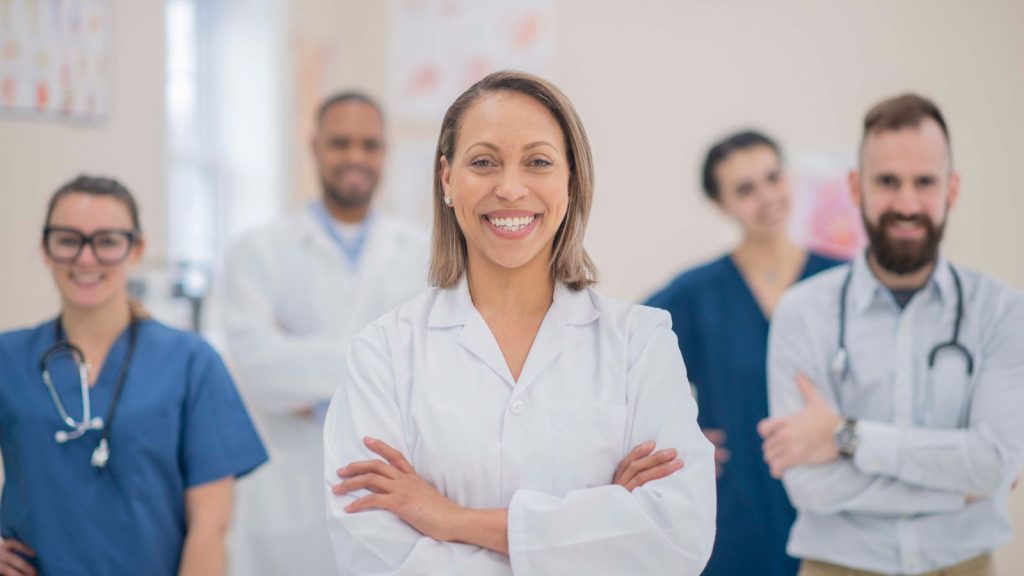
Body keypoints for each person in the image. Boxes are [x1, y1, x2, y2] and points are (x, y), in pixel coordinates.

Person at [322, 70, 716, 575]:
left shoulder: (641, 342)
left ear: (570, 179)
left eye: (538, 162)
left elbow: (678, 535)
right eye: (483, 162)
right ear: (447, 178)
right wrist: (599, 525)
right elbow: (371, 552)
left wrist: (452, 519)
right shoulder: (384, 351)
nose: (510, 188)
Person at [759, 94, 1024, 576]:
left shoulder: (1002, 311)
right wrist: (957, 483)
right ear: (857, 187)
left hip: (965, 565)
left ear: (953, 189)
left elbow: (994, 464)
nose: (906, 203)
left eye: (925, 182)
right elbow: (809, 486)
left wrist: (845, 436)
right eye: (887, 182)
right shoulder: (803, 313)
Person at [0, 175, 267, 576]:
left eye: (107, 241)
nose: (86, 259)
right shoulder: (8, 357)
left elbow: (209, 527)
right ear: (46, 247)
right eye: (68, 239)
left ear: (136, 248)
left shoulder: (192, 362)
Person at [223, 91, 428, 576]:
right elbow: (259, 373)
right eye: (340, 143)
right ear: (314, 147)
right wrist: (385, 364)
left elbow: (433, 370)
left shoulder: (424, 253)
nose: (355, 157)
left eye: (368, 144)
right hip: (288, 489)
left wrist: (301, 361)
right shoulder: (258, 250)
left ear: (384, 152)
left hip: (390, 492)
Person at [645, 131, 843, 576]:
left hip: (837, 513)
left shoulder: (842, 284)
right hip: (739, 518)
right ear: (721, 204)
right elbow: (620, 365)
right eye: (745, 189)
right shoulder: (696, 294)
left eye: (773, 178)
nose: (767, 196)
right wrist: (674, 440)